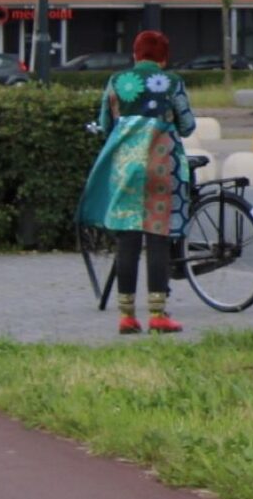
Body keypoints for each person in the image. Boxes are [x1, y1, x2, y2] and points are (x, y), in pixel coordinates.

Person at [77, 30, 195, 334]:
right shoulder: (172, 82)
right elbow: (188, 125)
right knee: (157, 239)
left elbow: (105, 124)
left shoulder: (117, 82)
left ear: (135, 55)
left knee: (127, 241)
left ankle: (127, 317)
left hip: (125, 168)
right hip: (161, 165)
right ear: (164, 58)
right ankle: (158, 315)